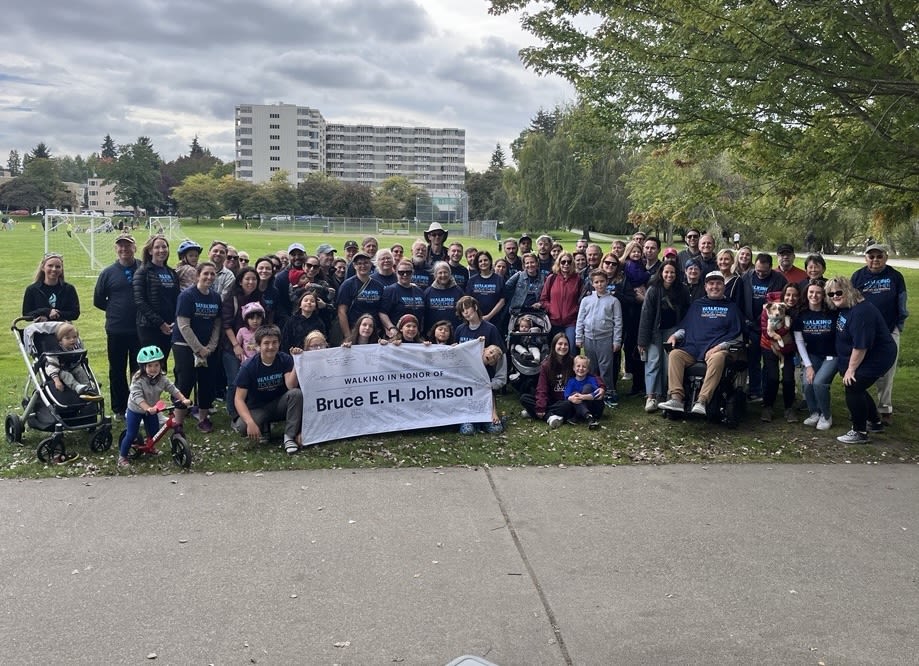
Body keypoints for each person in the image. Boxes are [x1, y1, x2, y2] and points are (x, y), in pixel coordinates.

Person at [658, 271, 745, 415]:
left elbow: (737, 335)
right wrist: (674, 335)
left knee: (718, 357)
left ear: (724, 286)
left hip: (717, 350)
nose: (714, 287)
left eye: (718, 284)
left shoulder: (732, 308)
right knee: (675, 354)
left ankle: (702, 400)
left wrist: (719, 347)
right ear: (705, 287)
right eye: (711, 284)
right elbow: (687, 328)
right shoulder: (698, 305)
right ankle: (676, 398)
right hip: (694, 348)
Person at [825, 277, 897, 444]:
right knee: (858, 386)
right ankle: (875, 422)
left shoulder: (861, 312)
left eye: (839, 292)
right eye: (831, 293)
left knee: (853, 386)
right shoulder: (846, 306)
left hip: (877, 356)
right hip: (866, 354)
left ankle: (859, 431)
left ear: (848, 290)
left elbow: (861, 346)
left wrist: (851, 369)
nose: (835, 296)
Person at [850, 244, 908, 424]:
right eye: (871, 256)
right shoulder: (858, 276)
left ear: (886, 258)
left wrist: (898, 326)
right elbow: (852, 302)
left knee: (887, 372)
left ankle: (885, 409)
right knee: (861, 370)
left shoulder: (895, 277)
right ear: (865, 258)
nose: (875, 260)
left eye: (879, 256)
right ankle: (862, 405)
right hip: (865, 331)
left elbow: (902, 302)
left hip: (889, 331)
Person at [233, 324, 303, 454]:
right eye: (266, 343)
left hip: (279, 404)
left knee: (296, 394)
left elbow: (291, 386)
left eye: (274, 342)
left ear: (279, 343)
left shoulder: (285, 359)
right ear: (258, 346)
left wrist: (297, 361)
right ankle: (264, 427)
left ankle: (289, 436)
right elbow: (238, 399)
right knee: (242, 427)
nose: (271, 347)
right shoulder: (248, 366)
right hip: (258, 407)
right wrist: (250, 422)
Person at [118, 345, 191, 468]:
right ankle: (122, 457)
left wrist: (183, 399)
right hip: (136, 409)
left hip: (152, 409)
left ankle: (150, 447)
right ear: (143, 367)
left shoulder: (161, 378)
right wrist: (147, 408)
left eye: (156, 365)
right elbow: (137, 396)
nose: (153, 369)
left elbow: (172, 388)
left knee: (153, 431)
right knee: (131, 434)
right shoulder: (138, 379)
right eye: (150, 366)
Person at [93, 233, 141, 416]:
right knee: (117, 369)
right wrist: (115, 310)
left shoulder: (143, 268)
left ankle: (138, 405)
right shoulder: (108, 273)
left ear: (134, 248)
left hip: (139, 329)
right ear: (116, 249)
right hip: (117, 329)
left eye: (128, 246)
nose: (124, 249)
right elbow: (98, 299)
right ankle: (120, 407)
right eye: (120, 246)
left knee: (139, 370)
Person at [172, 262, 222, 434]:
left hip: (208, 348)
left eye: (212, 274)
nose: (209, 277)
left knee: (207, 383)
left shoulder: (216, 297)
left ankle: (203, 418)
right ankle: (177, 422)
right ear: (198, 275)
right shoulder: (187, 296)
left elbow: (217, 323)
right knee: (185, 382)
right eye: (205, 273)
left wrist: (211, 346)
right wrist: (198, 348)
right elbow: (183, 325)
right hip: (185, 345)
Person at [638, 262, 690, 412]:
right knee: (653, 362)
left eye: (672, 272)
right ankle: (651, 396)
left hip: (673, 331)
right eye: (666, 272)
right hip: (655, 331)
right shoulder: (654, 290)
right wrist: (642, 340)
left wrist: (682, 332)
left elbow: (687, 311)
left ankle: (667, 395)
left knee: (669, 364)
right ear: (661, 273)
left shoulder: (682, 290)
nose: (669, 275)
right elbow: (646, 315)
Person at [454, 296, 507, 435]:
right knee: (467, 430)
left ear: (475, 307)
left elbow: (500, 356)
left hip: (484, 382)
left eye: (467, 308)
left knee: (496, 430)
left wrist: (497, 382)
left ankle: (490, 419)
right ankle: (469, 421)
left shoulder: (490, 329)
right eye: (462, 310)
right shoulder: (460, 330)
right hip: (465, 382)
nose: (465, 312)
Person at [741, 253, 787, 401]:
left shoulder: (779, 279)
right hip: (751, 325)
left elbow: (784, 301)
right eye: (758, 270)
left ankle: (768, 391)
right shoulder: (747, 277)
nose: (760, 274)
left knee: (769, 361)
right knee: (753, 360)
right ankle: (755, 390)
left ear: (771, 268)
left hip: (770, 326)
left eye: (764, 272)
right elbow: (740, 298)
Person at [575, 270, 623, 407]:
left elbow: (618, 322)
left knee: (606, 367)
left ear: (607, 282)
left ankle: (608, 392)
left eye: (602, 281)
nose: (599, 284)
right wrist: (579, 337)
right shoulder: (586, 300)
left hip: (605, 338)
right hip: (589, 338)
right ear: (592, 284)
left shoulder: (613, 301)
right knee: (592, 367)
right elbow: (580, 320)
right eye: (596, 282)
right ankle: (593, 392)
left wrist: (617, 341)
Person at [794, 281, 836, 431]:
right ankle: (814, 413)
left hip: (831, 356)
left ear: (824, 295)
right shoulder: (800, 314)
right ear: (806, 293)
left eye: (818, 292)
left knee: (819, 383)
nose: (814, 295)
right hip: (811, 355)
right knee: (807, 382)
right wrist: (808, 365)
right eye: (811, 292)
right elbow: (799, 341)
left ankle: (826, 415)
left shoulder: (832, 312)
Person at [133, 235, 179, 363]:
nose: (161, 250)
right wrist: (160, 323)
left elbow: (176, 299)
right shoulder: (142, 272)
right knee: (150, 365)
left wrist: (174, 321)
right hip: (149, 327)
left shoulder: (171, 273)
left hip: (169, 326)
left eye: (164, 247)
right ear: (150, 251)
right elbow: (139, 301)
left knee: (162, 364)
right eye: (157, 247)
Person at [759, 284, 802, 423]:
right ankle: (768, 406)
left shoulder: (799, 310)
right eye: (788, 295)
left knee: (788, 378)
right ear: (783, 296)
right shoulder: (769, 308)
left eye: (795, 295)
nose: (791, 298)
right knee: (772, 377)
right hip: (769, 345)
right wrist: (784, 330)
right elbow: (767, 332)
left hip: (789, 348)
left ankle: (789, 408)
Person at [521, 333, 574, 424]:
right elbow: (542, 387)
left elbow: (587, 374)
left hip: (566, 400)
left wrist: (601, 386)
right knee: (524, 398)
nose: (563, 347)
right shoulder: (546, 365)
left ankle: (534, 412)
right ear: (554, 345)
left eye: (566, 344)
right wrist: (541, 406)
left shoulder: (573, 362)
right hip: (551, 399)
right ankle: (550, 416)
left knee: (569, 405)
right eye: (560, 344)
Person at [45, 323, 101, 400]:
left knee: (80, 371)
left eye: (75, 337)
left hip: (73, 367)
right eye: (67, 338)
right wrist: (57, 381)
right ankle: (77, 387)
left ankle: (88, 387)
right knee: (66, 375)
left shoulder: (76, 348)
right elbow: (51, 366)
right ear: (60, 341)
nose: (72, 340)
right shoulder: (56, 351)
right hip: (59, 371)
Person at [539, 252, 583, 351]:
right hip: (554, 321)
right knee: (555, 350)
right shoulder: (552, 278)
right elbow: (543, 299)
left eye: (569, 262)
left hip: (571, 322)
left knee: (571, 348)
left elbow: (582, 300)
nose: (566, 264)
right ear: (559, 263)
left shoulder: (578, 279)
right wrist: (551, 309)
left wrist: (574, 310)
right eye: (563, 262)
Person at [336, 251, 384, 340]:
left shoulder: (378, 286)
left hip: (373, 331)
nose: (363, 266)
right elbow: (341, 311)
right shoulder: (347, 285)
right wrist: (348, 335)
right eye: (359, 263)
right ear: (354, 266)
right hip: (354, 330)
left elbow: (381, 310)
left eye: (366, 263)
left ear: (371, 264)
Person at [23, 252, 80, 322]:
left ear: (61, 270)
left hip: (62, 325)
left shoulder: (68, 289)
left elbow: (75, 313)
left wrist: (57, 313)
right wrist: (46, 311)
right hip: (39, 326)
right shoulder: (32, 289)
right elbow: (26, 315)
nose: (54, 269)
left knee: (68, 330)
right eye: (50, 266)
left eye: (58, 267)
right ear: (43, 268)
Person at [379, 259, 426, 340]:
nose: (405, 275)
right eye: (401, 272)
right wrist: (391, 328)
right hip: (397, 336)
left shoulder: (419, 291)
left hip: (415, 335)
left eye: (408, 272)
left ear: (412, 273)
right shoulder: (391, 290)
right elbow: (382, 312)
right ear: (396, 273)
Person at [564, 356, 605, 429]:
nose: (581, 368)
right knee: (574, 394)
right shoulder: (571, 381)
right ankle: (589, 418)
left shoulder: (591, 379)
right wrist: (572, 398)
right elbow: (566, 395)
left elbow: (596, 394)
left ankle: (578, 416)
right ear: (573, 368)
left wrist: (582, 397)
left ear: (588, 370)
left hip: (595, 407)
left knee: (587, 387)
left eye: (584, 367)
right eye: (578, 366)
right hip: (582, 408)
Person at [466, 250, 506, 324]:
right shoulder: (472, 280)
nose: (483, 263)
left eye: (485, 260)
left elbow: (502, 301)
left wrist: (489, 316)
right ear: (477, 264)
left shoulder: (499, 279)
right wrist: (476, 316)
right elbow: (469, 300)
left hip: (495, 319)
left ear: (490, 261)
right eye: (480, 261)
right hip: (475, 319)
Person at [423, 261, 465, 330]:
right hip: (432, 334)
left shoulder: (458, 291)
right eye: (440, 273)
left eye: (445, 272)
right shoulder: (428, 292)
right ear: (435, 275)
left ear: (450, 274)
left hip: (454, 332)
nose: (443, 275)